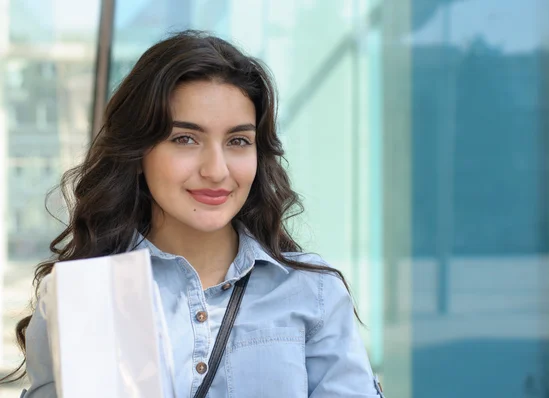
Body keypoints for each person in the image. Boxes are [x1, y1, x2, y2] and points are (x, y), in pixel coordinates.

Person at [4, 30, 385, 398]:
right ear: (138, 153)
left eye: (238, 141)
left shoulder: (313, 293)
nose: (216, 170)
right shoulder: (83, 294)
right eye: (185, 139)